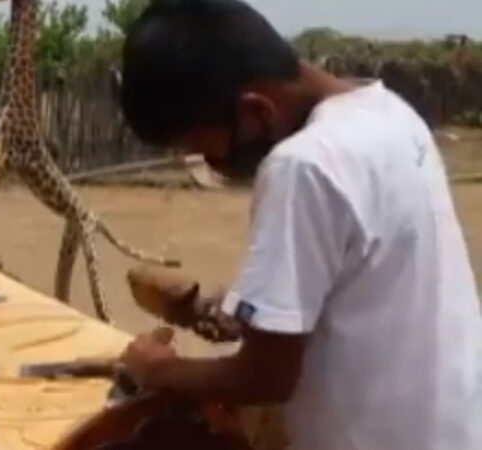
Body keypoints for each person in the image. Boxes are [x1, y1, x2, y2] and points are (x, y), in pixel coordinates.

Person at [116, 1, 482, 449]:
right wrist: (254, 310)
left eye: (210, 153)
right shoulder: (390, 114)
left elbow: (266, 377)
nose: (216, 167)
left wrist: (157, 370)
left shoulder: (302, 165)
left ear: (257, 111)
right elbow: (369, 285)